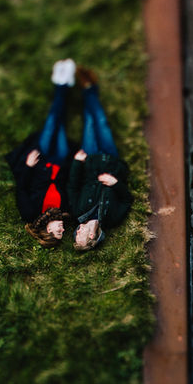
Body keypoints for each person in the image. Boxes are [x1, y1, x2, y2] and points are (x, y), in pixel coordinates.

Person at [4, 59, 79, 247]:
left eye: (58, 232)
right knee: (59, 126)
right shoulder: (66, 211)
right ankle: (63, 83)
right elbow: (71, 184)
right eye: (63, 232)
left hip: (40, 162)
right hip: (60, 162)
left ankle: (61, 83)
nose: (63, 229)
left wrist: (28, 166)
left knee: (53, 122)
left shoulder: (30, 212)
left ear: (47, 231)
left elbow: (22, 188)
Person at [66, 72, 132, 251]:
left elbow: (72, 186)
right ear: (92, 236)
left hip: (91, 160)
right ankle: (89, 87)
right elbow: (126, 200)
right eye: (79, 235)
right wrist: (115, 183)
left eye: (76, 232)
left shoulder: (78, 212)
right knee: (101, 123)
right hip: (110, 160)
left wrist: (77, 162)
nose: (76, 230)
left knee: (89, 123)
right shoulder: (112, 218)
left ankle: (87, 89)